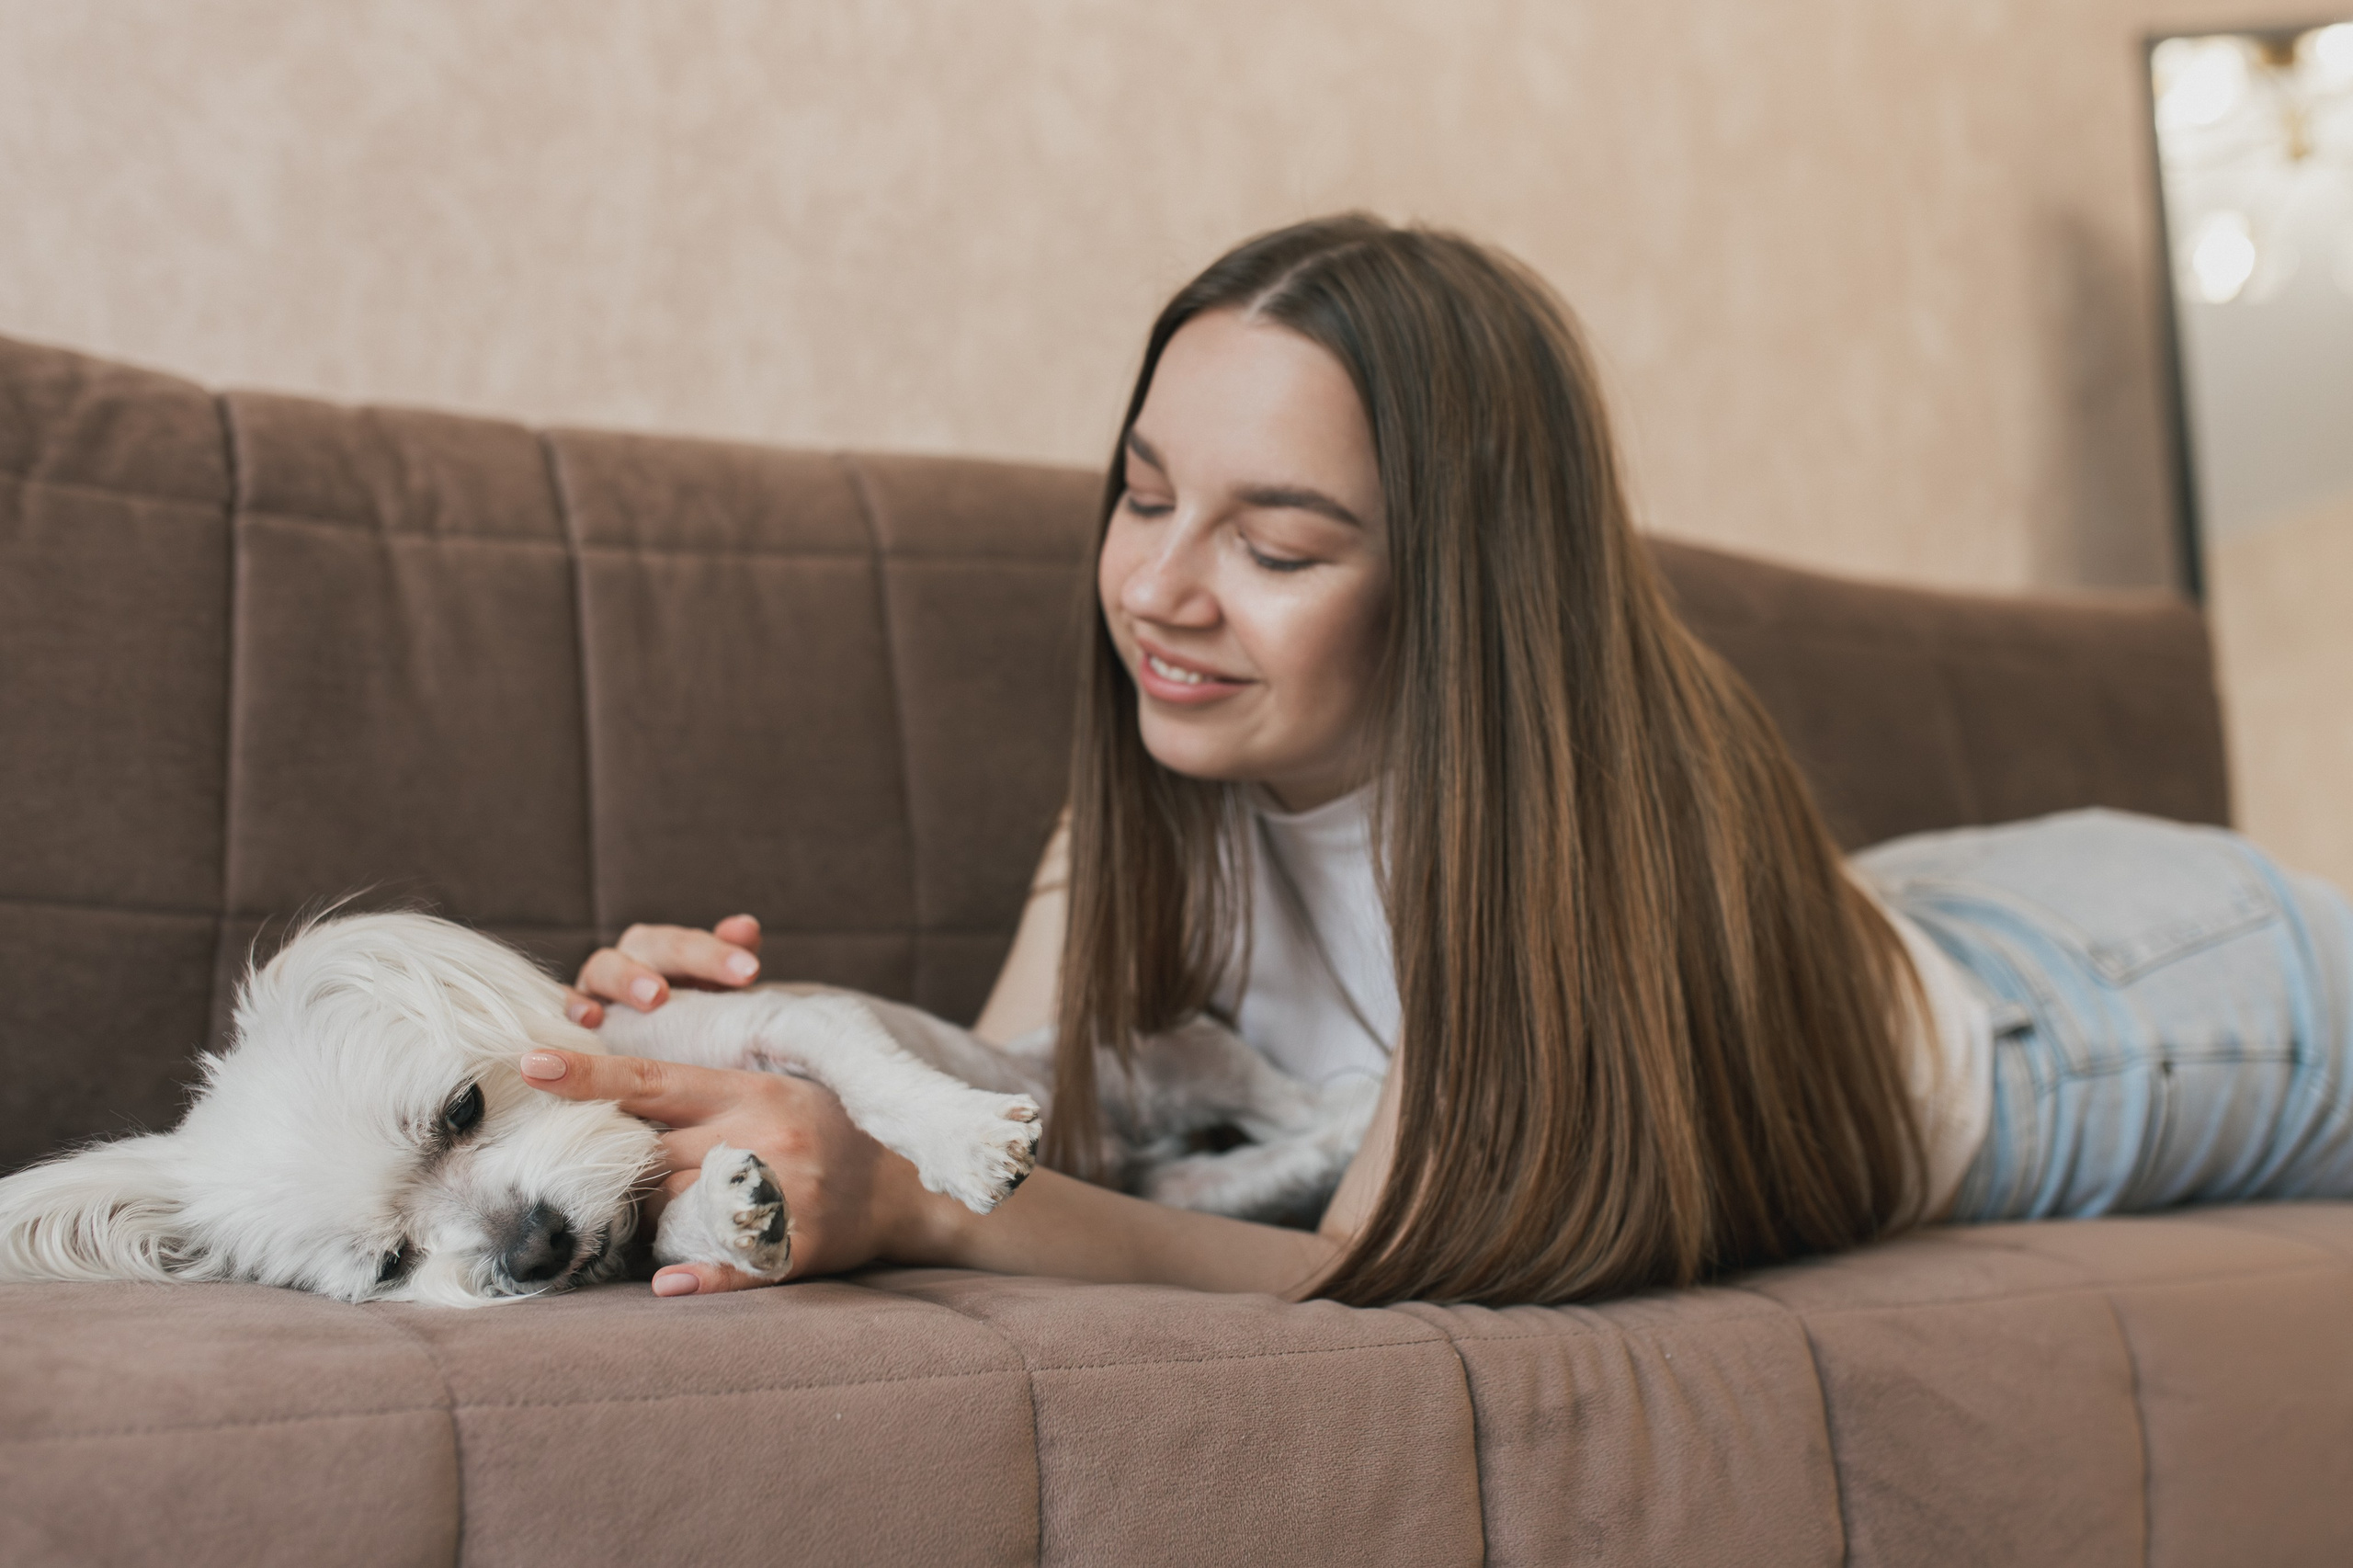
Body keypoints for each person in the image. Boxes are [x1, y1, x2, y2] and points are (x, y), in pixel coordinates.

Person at [521, 215, 2353, 1306]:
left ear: (1460, 590)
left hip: (2131, 998)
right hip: (1891, 922)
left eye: (1277, 545)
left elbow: (1362, 1263)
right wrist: (752, 1044)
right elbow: (1037, 1110)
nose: (1157, 589)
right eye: (1143, 497)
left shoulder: (1590, 839)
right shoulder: (1172, 774)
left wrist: (913, 1199)